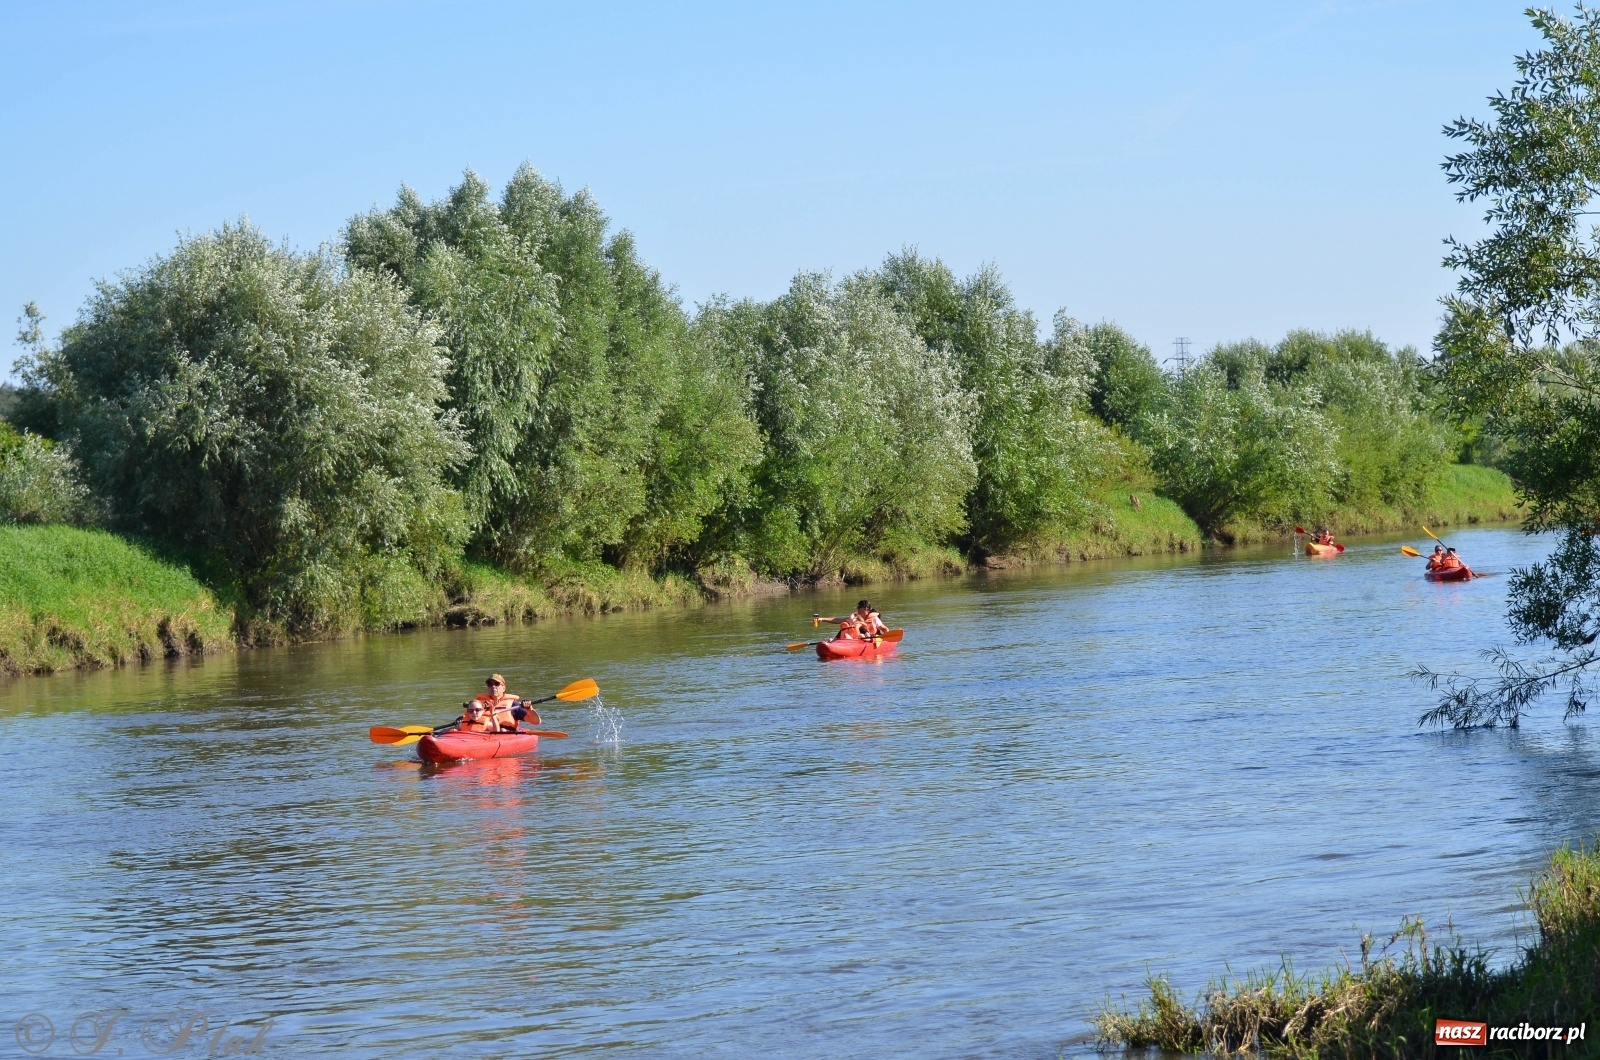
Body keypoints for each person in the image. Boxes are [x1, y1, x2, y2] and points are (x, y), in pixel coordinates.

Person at [471, 673, 538, 732]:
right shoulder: (479, 704)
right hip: (482, 734)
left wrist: (529, 709)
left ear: (504, 688)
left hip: (505, 734)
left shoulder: (514, 705)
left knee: (503, 730)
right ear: (487, 688)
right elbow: (466, 718)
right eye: (490, 684)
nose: (493, 686)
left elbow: (536, 722)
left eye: (497, 684)